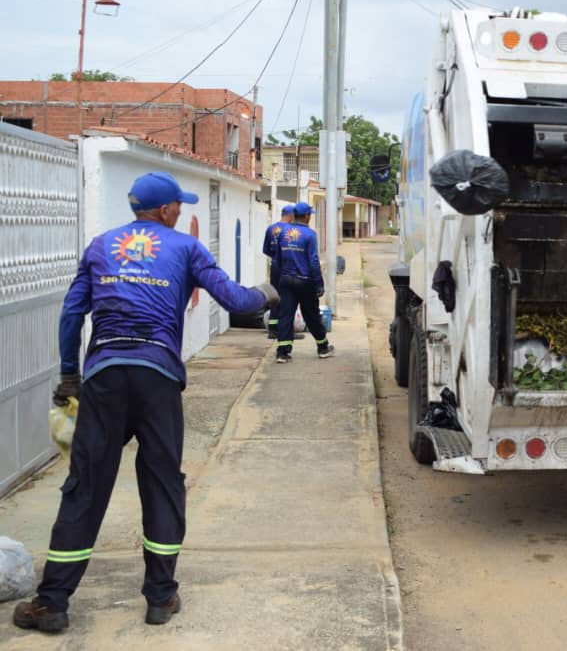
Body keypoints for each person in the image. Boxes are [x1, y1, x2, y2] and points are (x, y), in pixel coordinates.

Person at [12, 172, 278, 634]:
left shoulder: (100, 246)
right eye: (179, 205)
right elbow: (236, 301)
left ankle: (52, 603)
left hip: (105, 376)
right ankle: (160, 597)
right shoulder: (185, 248)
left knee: (86, 486)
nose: (181, 211)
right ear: (163, 210)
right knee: (161, 483)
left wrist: (69, 376)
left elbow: (73, 314)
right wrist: (269, 293)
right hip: (157, 378)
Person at [274, 201, 333, 362]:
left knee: (286, 315)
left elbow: (277, 259)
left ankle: (282, 352)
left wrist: (280, 279)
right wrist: (319, 284)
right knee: (311, 315)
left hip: (286, 280)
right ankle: (322, 347)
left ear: (294, 215)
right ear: (307, 216)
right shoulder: (310, 235)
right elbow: (313, 261)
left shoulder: (283, 233)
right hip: (305, 282)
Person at [262, 204, 295, 339]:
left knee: (275, 296)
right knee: (288, 297)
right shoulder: (291, 230)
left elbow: (266, 250)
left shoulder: (271, 228)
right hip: (287, 267)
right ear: (291, 216)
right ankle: (285, 330)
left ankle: (272, 329)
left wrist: (275, 257)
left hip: (274, 266)